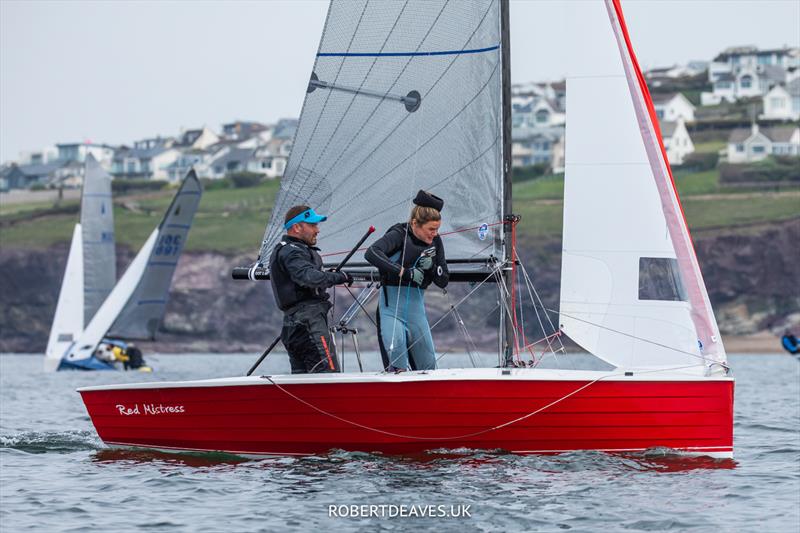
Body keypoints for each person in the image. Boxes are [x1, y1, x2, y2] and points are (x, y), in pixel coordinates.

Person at [365, 190, 449, 372]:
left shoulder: (436, 242)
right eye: (431, 229)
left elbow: (443, 281)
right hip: (391, 310)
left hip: (416, 312)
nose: (435, 234)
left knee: (428, 365)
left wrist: (432, 268)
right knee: (398, 362)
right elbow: (371, 252)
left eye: (437, 229)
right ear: (415, 224)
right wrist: (404, 272)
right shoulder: (399, 234)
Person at [269, 205, 352, 374]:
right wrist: (340, 277)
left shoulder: (290, 250)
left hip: (294, 326)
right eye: (312, 225)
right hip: (309, 323)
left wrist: (328, 275)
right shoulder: (292, 252)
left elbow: (307, 274)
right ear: (297, 227)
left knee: (302, 382)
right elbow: (309, 278)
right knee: (328, 375)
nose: (317, 230)